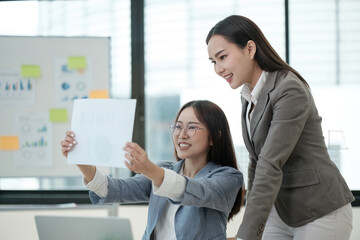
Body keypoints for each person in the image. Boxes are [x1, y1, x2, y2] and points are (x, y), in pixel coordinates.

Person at [206, 15, 354, 240]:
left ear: (250, 48)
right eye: (213, 62)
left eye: (222, 57)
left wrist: (246, 234)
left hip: (319, 208)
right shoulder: (247, 96)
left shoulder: (288, 89)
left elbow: (270, 163)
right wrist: (252, 224)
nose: (218, 68)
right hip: (280, 210)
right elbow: (256, 161)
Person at [61, 100, 244, 240]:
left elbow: (193, 190)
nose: (182, 134)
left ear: (214, 137)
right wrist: (80, 159)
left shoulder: (229, 178)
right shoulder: (164, 170)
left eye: (192, 127)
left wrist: (149, 169)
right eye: (178, 126)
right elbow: (115, 190)